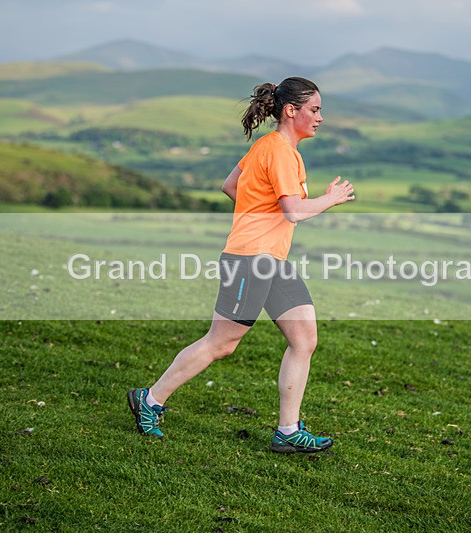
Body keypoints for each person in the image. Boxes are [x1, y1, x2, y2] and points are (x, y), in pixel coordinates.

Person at [128, 77, 355, 453]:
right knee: (222, 343)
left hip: (271, 260)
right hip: (250, 259)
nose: (319, 118)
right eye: (314, 110)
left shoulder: (269, 147)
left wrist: (259, 212)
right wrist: (329, 199)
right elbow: (293, 211)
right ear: (291, 111)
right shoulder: (280, 151)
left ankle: (288, 431)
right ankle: (149, 400)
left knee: (304, 339)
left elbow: (231, 185)